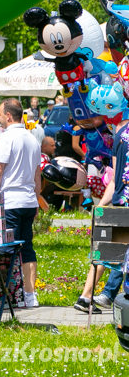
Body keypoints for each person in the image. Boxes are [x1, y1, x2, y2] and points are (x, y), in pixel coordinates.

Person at [0, 98, 42, 308]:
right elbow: (37, 175)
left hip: (10, 200)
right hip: (28, 200)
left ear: (8, 116)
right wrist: (36, 200)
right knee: (27, 248)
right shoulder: (32, 139)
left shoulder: (6, 138)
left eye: (0, 114)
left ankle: (11, 295)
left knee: (7, 249)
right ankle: (29, 295)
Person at [75, 116, 129, 313]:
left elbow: (114, 179)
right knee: (112, 254)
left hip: (120, 202)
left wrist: (101, 206)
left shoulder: (119, 138)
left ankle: (86, 296)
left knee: (107, 253)